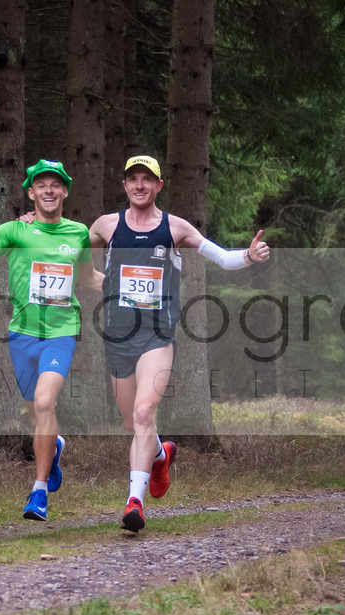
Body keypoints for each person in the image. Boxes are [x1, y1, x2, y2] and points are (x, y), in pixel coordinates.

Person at [92, 155, 270, 532]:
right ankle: (161, 454)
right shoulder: (106, 225)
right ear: (124, 185)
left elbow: (222, 257)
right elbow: (60, 242)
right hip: (118, 335)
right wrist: (34, 221)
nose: (140, 185)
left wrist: (248, 256)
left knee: (144, 413)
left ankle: (134, 503)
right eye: (133, 179)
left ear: (159, 186)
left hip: (157, 335)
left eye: (147, 179)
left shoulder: (175, 227)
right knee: (131, 422)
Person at [0, 159, 102, 522]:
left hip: (62, 332)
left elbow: (88, 278)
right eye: (41, 185)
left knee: (45, 402)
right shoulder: (15, 231)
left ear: (65, 191)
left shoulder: (78, 233)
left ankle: (38, 493)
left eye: (55, 184)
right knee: (35, 413)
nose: (49, 190)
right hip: (22, 334)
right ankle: (55, 446)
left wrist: (135, 285)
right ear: (31, 193)